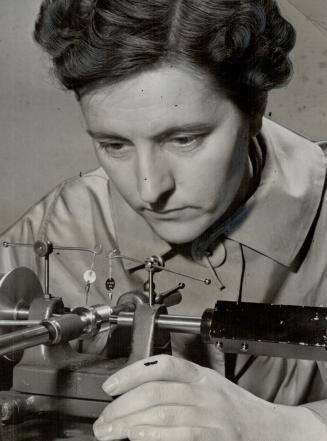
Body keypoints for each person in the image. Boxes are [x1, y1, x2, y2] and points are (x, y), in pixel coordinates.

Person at [1, 0, 327, 439]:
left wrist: (287, 428)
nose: (150, 188)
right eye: (115, 145)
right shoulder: (60, 225)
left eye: (183, 139)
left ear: (253, 112)